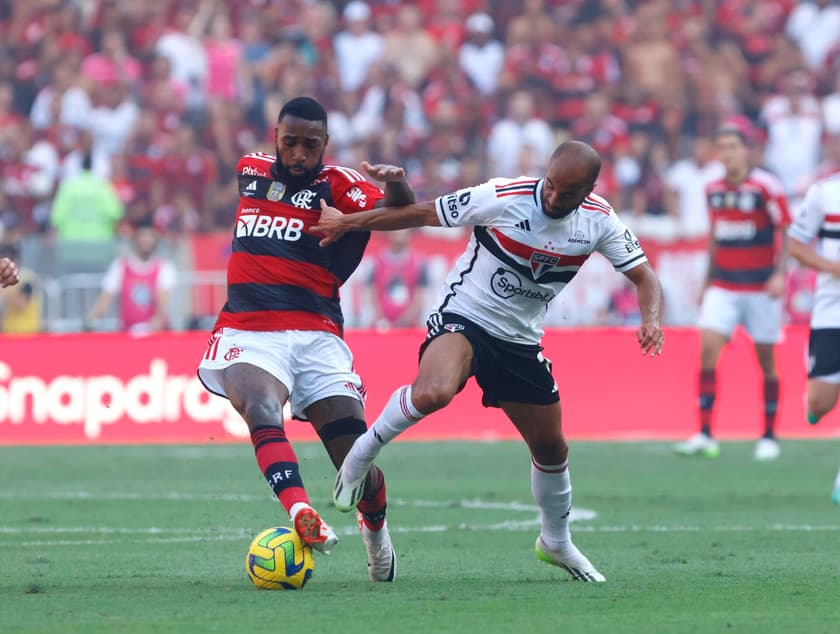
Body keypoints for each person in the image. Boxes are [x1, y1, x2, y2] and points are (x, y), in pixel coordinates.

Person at [316, 140, 664, 583]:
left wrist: (652, 319)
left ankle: (556, 543)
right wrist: (348, 222)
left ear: (589, 190)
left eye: (566, 194)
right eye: (550, 185)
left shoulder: (599, 221)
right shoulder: (504, 196)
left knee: (552, 448)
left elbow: (645, 276)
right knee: (434, 391)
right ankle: (361, 455)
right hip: (465, 314)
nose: (553, 198)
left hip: (519, 339)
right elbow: (420, 214)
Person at [197, 97, 415, 582]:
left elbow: (403, 214)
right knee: (258, 405)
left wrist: (393, 185)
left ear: (325, 145)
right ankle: (299, 513)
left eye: (309, 145)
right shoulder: (249, 168)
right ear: (275, 136)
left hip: (317, 334)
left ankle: (376, 530)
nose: (298, 154)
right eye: (289, 142)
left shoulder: (341, 184)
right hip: (249, 328)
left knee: (352, 458)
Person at [675, 124, 791, 461]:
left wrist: (780, 274)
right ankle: (705, 434)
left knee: (766, 359)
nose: (727, 153)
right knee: (708, 350)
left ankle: (769, 435)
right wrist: (707, 280)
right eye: (722, 147)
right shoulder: (712, 190)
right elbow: (716, 235)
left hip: (760, 287)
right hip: (724, 284)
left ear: (747, 151)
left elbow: (785, 229)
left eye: (733, 146)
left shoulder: (766, 188)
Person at [787, 163, 840, 503]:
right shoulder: (825, 193)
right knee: (822, 402)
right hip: (831, 307)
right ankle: (815, 404)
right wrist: (832, 267)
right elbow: (796, 245)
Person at [85, 217, 177, 334]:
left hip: (156, 335)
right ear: (135, 238)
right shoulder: (120, 267)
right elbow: (105, 299)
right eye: (143, 236)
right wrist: (91, 320)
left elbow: (162, 304)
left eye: (150, 236)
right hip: (128, 334)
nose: (146, 241)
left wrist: (150, 327)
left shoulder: (164, 268)